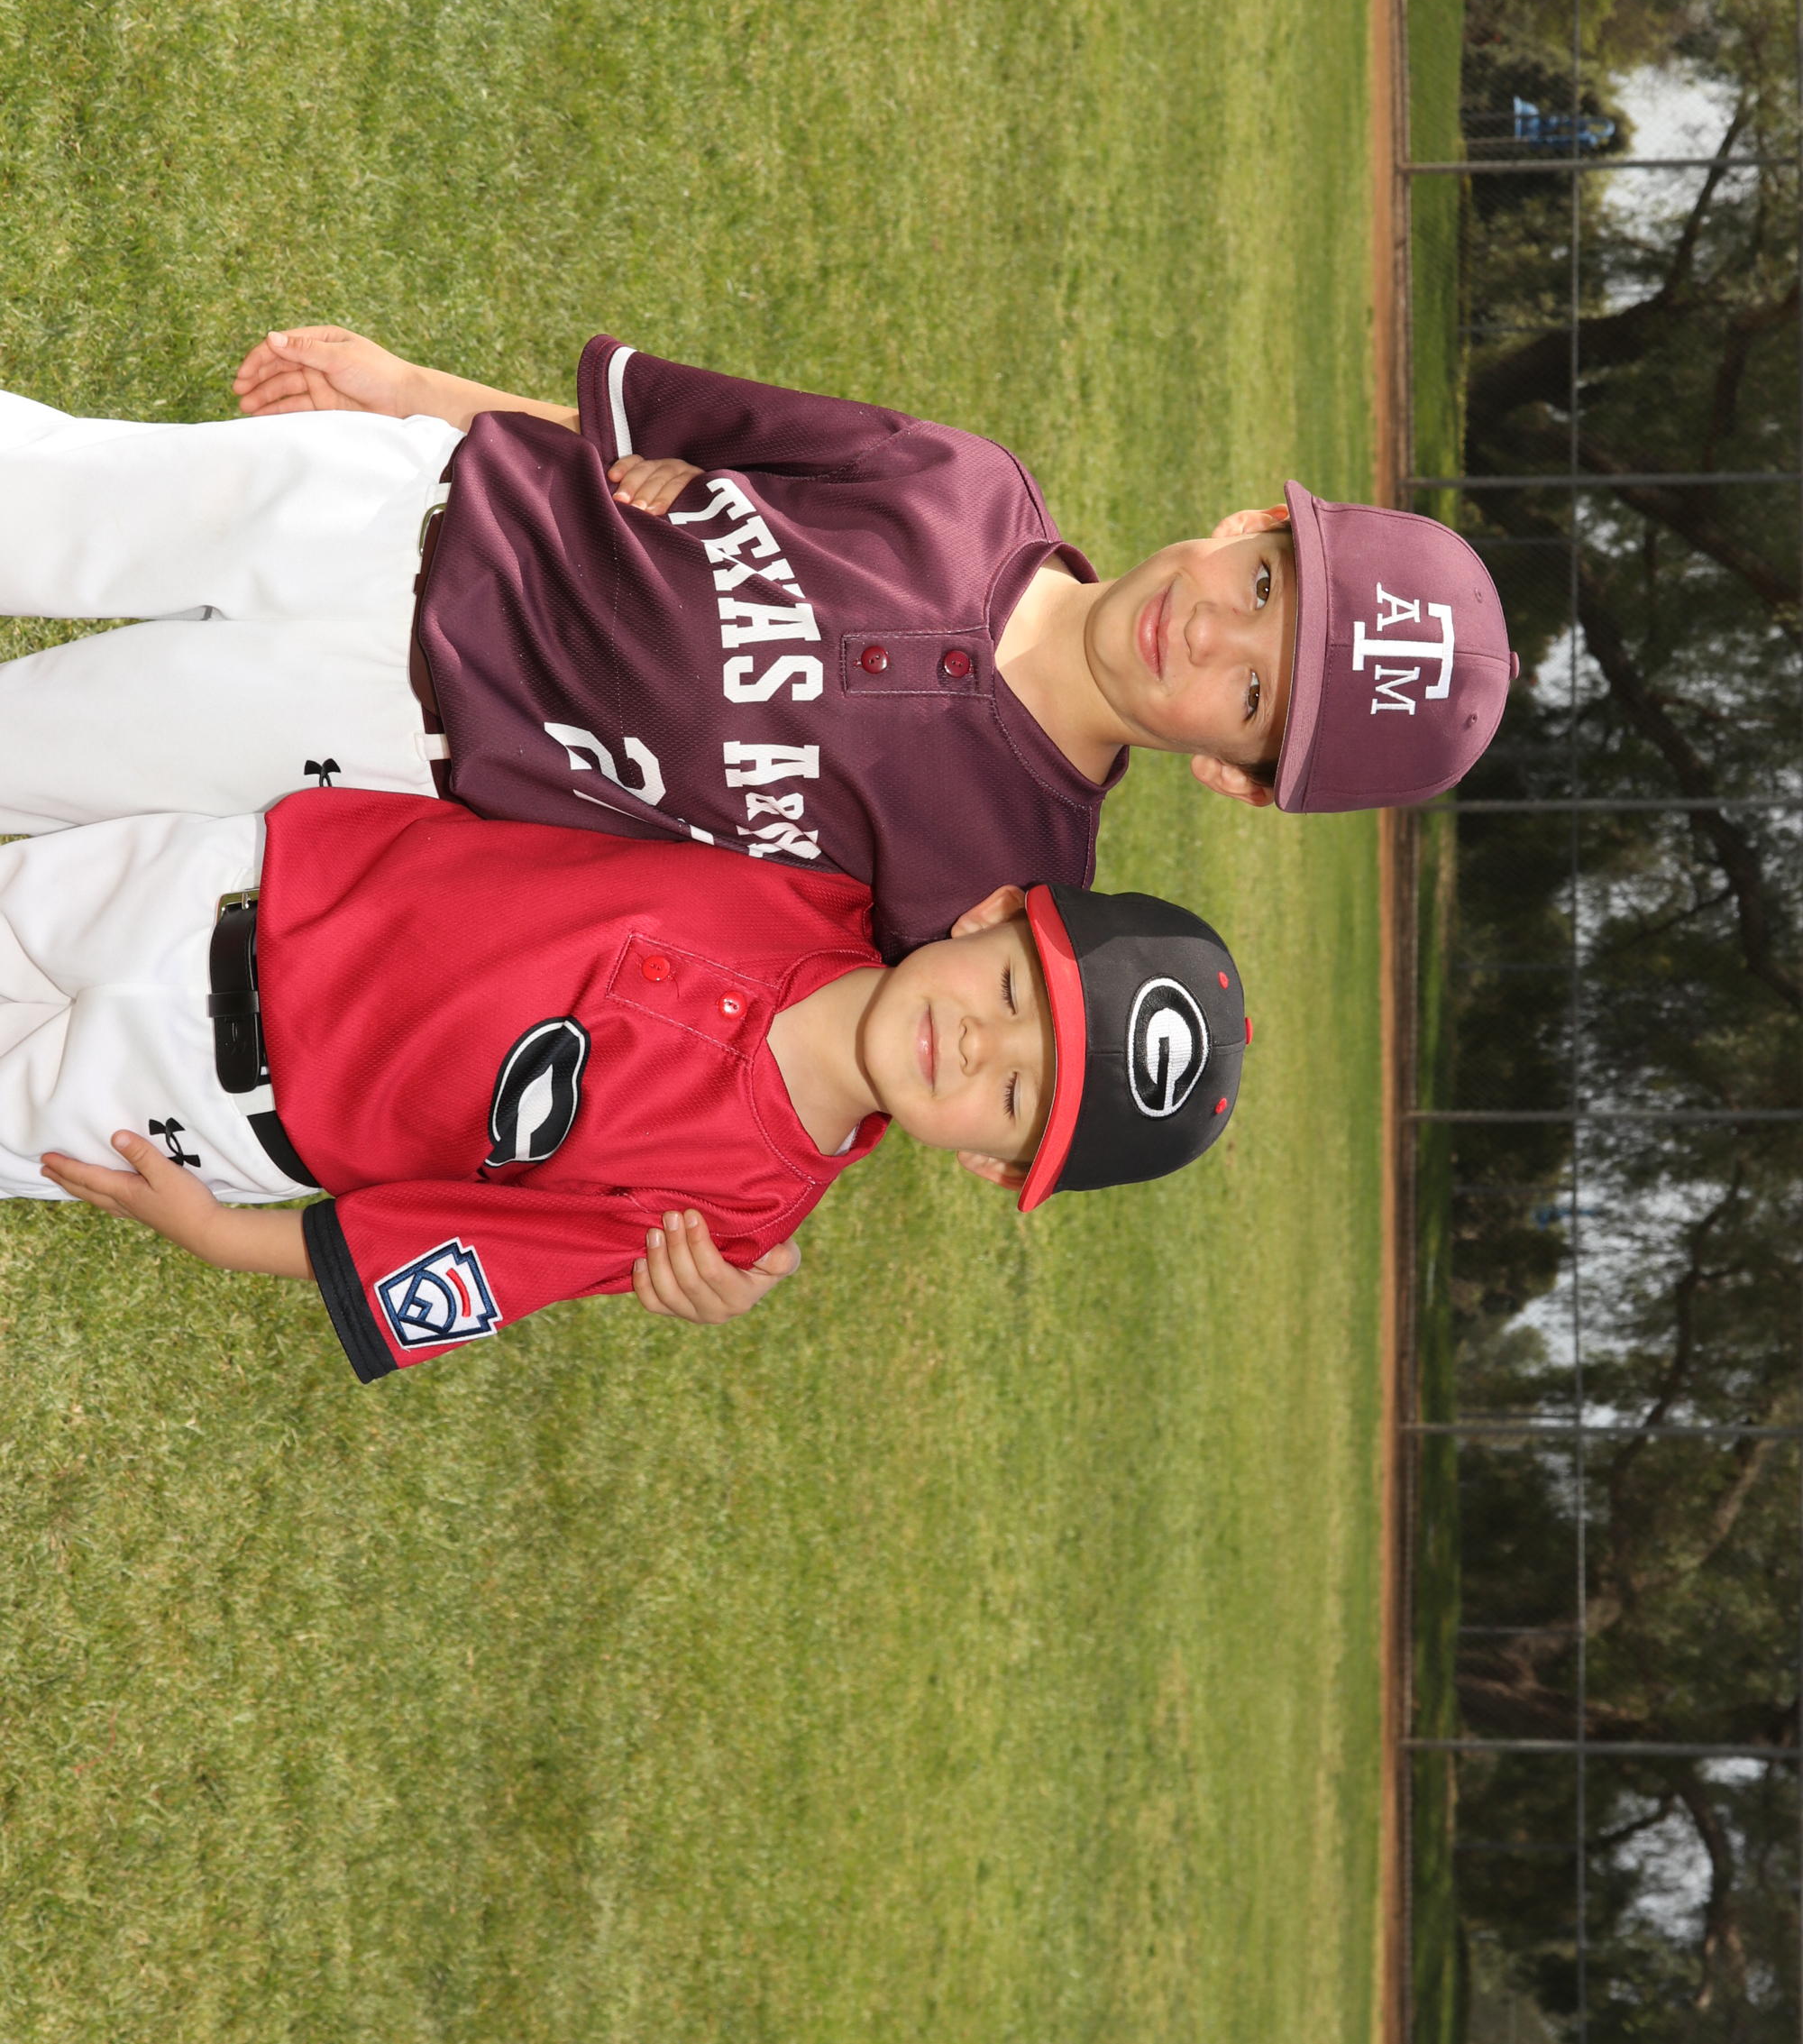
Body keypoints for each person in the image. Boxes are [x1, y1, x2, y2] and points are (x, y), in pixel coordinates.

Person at [0, 325, 1516, 957]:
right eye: (1267, 589)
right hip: (407, 507)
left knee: (40, 753)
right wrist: (409, 389)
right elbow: (650, 433)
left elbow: (797, 1035)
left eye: (1252, 695)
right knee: (53, 495)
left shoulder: (998, 886)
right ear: (1248, 523)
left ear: (1234, 778)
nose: (1212, 633)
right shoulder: (966, 484)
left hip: (392, 741)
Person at [25, 787, 1247, 1380]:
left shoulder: (732, 1222)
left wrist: (219, 1237)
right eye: (1016, 993)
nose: (980, 1046)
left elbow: (473, 1257)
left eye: (1018, 1098)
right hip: (230, 878)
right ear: (989, 913)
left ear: (989, 1163)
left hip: (218, 1107)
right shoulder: (811, 869)